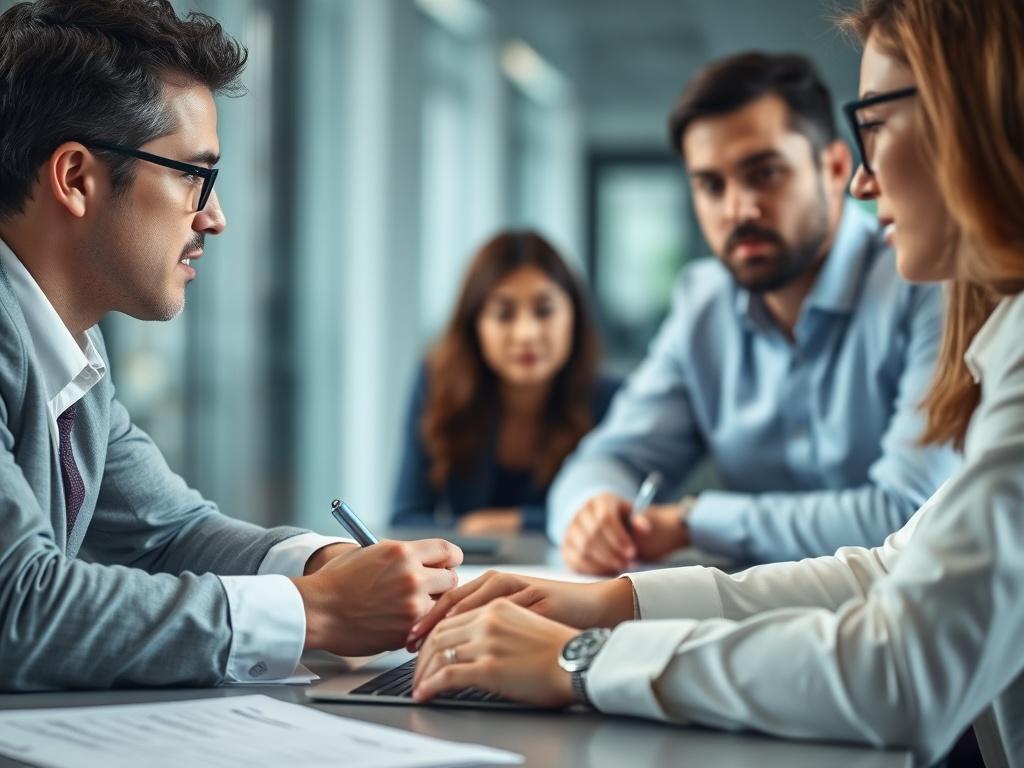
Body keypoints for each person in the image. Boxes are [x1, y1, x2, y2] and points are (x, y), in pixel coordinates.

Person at [406, 0, 1024, 764]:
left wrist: (583, 657)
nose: (868, 182)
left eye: (876, 126)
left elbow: (901, 669)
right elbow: (888, 566)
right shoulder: (708, 303)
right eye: (710, 183)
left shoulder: (938, 300)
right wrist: (612, 600)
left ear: (974, 117)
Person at [0, 0, 462, 692]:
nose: (214, 218)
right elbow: (18, 608)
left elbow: (169, 535)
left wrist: (325, 566)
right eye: (194, 175)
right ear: (75, 178)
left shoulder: (72, 353)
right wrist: (317, 612)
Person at [548, 51, 960, 574]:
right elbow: (608, 460)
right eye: (711, 185)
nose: (738, 209)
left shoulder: (926, 282)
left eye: (763, 174)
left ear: (834, 167)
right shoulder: (704, 303)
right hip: (753, 619)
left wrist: (696, 520)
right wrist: (592, 512)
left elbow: (910, 514)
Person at [391, 231, 619, 537]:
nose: (526, 333)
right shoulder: (437, 384)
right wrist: (469, 529)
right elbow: (405, 519)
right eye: (504, 314)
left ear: (574, 317)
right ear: (475, 325)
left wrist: (510, 523)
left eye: (544, 310)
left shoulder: (612, 399)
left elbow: (626, 515)